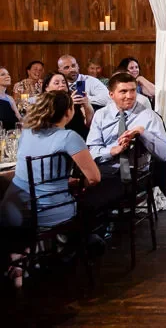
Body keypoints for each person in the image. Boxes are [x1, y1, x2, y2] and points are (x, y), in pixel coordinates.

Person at [0, 91, 101, 287]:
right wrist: (76, 184)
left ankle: (24, 255)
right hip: (47, 211)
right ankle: (69, 252)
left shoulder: (27, 132)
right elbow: (94, 178)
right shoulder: (69, 137)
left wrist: (62, 181)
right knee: (89, 206)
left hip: (11, 209)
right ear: (68, 112)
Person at [84, 72, 166, 210]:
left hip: (135, 174)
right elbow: (92, 151)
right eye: (123, 91)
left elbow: (165, 154)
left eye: (132, 91)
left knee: (92, 199)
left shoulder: (149, 116)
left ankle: (102, 228)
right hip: (104, 171)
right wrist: (112, 151)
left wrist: (143, 133)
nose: (129, 96)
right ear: (111, 95)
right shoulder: (101, 115)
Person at [43, 72, 94, 140]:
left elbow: (89, 123)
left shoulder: (73, 97)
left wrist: (86, 104)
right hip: (61, 139)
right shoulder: (44, 103)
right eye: (57, 83)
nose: (62, 85)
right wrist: (69, 104)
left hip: (82, 137)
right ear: (47, 87)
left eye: (64, 82)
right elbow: (58, 125)